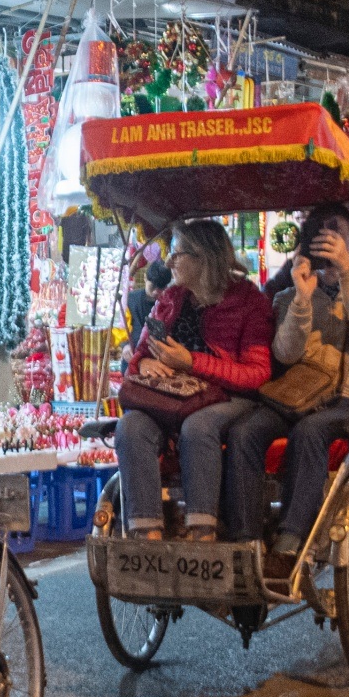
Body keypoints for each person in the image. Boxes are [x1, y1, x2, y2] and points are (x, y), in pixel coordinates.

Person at [224, 205, 349, 580]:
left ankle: (289, 544)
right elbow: (285, 353)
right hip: (299, 394)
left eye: (337, 233)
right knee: (244, 432)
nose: (329, 240)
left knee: (310, 432)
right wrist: (303, 300)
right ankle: (246, 543)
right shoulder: (290, 294)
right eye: (320, 233)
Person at [114, 220, 274, 540]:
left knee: (198, 427)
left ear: (203, 259)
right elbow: (139, 356)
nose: (169, 261)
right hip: (171, 397)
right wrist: (144, 363)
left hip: (227, 397)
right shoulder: (171, 299)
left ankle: (202, 530)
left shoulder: (248, 301)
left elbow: (256, 374)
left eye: (177, 253)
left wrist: (191, 362)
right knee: (130, 426)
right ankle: (146, 534)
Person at [125, 260, 172, 339]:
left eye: (161, 288)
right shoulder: (130, 299)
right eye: (152, 286)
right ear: (145, 278)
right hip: (132, 347)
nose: (155, 292)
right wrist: (125, 345)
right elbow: (123, 326)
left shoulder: (169, 305)